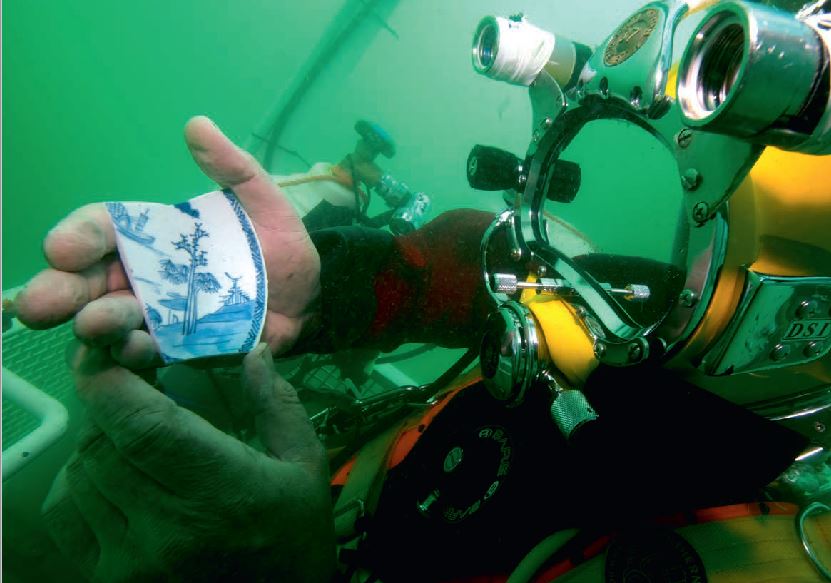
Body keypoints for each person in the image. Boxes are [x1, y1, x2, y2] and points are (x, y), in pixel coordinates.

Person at [14, 114, 831, 582]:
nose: (690, 282)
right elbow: (449, 265)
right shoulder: (646, 312)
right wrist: (309, 285)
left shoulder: (771, 563)